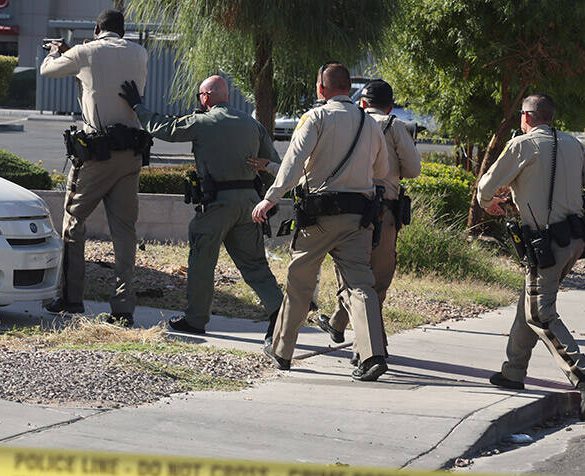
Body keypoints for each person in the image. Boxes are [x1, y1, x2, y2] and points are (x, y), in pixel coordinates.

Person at [477, 92, 585, 420]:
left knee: (541, 313)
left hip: (544, 244)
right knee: (529, 303)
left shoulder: (522, 146)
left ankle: (584, 373)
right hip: (573, 242)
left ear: (526, 118)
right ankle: (513, 371)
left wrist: (489, 203)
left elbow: (486, 188)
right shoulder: (574, 145)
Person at [253, 62, 390, 381]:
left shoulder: (315, 118)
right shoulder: (369, 123)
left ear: (321, 89)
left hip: (318, 217)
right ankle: (372, 355)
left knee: (300, 283)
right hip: (358, 217)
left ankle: (282, 351)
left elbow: (292, 163)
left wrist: (270, 198)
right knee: (360, 285)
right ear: (349, 89)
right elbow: (382, 170)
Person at [119, 74, 283, 338]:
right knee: (254, 265)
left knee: (202, 262)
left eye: (200, 96)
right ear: (227, 96)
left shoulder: (203, 121)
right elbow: (271, 163)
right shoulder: (253, 124)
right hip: (249, 203)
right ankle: (279, 313)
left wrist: (139, 107)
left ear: (205, 97)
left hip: (217, 204)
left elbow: (164, 128)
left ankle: (195, 319)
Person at [39, 8, 148, 327]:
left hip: (97, 154)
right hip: (131, 152)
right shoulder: (139, 53)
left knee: (74, 221)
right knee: (125, 231)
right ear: (122, 30)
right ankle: (123, 308)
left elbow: (49, 71)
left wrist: (56, 52)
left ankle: (71, 299)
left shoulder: (86, 52)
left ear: (97, 29)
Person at [317, 78, 421, 359]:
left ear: (362, 102)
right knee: (377, 279)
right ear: (390, 107)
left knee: (353, 276)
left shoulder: (351, 121)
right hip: (384, 211)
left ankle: (340, 324)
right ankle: (372, 346)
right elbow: (413, 169)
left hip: (349, 210)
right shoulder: (394, 126)